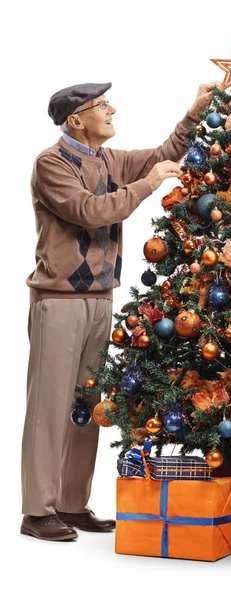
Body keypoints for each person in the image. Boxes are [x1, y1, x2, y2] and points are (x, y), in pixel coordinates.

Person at [21, 80, 220, 541]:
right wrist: (148, 187)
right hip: (59, 301)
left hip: (101, 298)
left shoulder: (110, 159)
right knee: (50, 407)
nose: (112, 109)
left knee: (86, 406)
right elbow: (90, 210)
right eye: (101, 105)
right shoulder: (51, 164)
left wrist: (193, 112)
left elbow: (163, 153)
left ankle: (70, 504)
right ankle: (36, 511)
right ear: (76, 120)